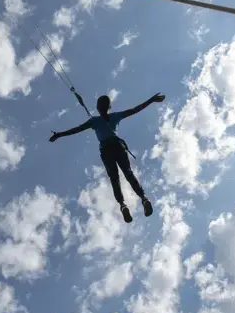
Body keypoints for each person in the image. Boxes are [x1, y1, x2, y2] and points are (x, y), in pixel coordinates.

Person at [49, 93, 165, 223]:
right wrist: (151, 100)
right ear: (107, 107)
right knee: (127, 173)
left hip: (108, 149)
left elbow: (77, 129)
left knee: (115, 178)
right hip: (116, 147)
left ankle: (125, 204)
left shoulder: (96, 120)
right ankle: (141, 199)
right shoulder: (111, 117)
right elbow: (134, 110)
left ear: (100, 107)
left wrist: (60, 134)